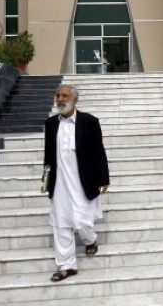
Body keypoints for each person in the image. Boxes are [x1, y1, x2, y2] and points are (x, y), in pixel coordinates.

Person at [43, 84, 110, 282]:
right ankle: (67, 265)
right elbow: (48, 155)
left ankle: (90, 239)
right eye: (58, 95)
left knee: (82, 220)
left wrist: (103, 177)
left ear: (75, 100)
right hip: (59, 181)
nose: (60, 99)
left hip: (82, 179)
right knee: (61, 222)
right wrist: (46, 178)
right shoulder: (50, 124)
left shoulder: (89, 122)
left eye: (64, 96)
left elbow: (98, 150)